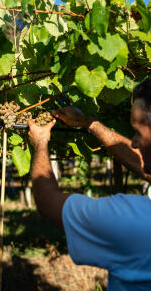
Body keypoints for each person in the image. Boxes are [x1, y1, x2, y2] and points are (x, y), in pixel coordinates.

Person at [27, 77, 151, 290]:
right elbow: (139, 160)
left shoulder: (136, 222)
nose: (134, 143)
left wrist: (40, 143)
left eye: (138, 132)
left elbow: (47, 200)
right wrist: (88, 123)